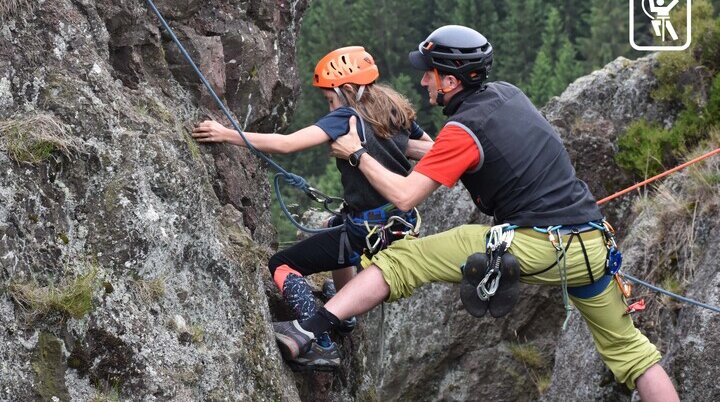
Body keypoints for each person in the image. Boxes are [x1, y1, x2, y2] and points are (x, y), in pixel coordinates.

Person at [272, 26, 680, 400]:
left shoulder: (463, 130)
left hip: (539, 245)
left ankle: (311, 329)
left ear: (450, 81)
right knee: (631, 351)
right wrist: (395, 142)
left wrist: (357, 154)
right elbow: (453, 152)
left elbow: (404, 196)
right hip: (591, 245)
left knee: (405, 258)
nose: (422, 81)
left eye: (429, 73)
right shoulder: (508, 95)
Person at [192, 46, 433, 371]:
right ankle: (344, 314)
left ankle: (319, 341)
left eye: (328, 97)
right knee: (336, 223)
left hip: (362, 231)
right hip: (397, 223)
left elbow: (287, 143)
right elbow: (433, 151)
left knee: (282, 264)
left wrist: (227, 134)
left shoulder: (346, 116)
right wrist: (396, 152)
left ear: (346, 90)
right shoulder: (396, 109)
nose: (328, 104)